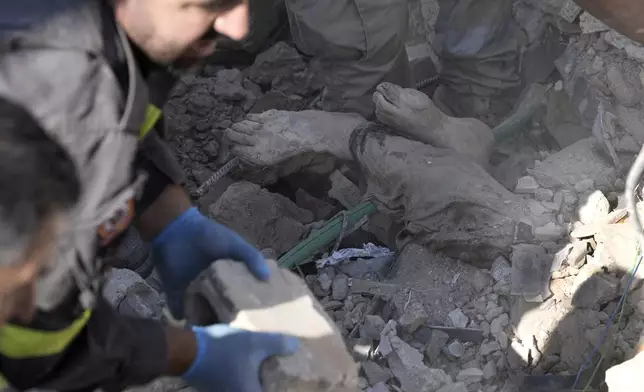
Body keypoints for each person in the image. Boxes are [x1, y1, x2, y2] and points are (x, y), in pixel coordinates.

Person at [0, 1, 298, 391]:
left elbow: (123, 106)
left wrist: (170, 215)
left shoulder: (117, 32)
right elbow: (34, 350)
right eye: (211, 4)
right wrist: (191, 353)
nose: (238, 26)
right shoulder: (55, 106)